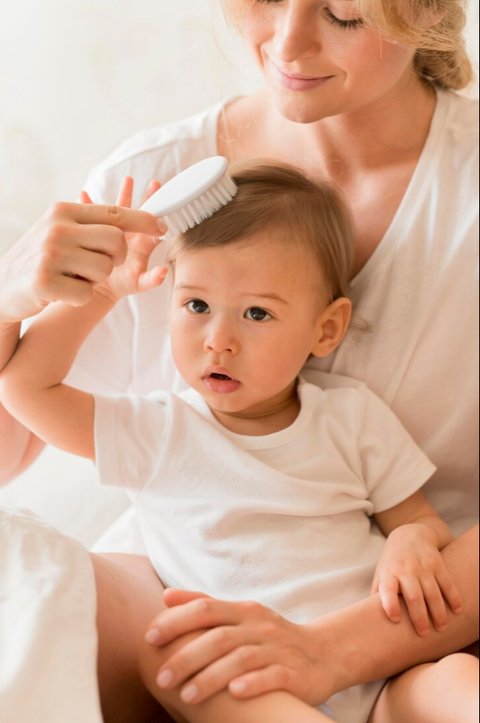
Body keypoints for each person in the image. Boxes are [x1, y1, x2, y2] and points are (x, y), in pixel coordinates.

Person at [0, 0, 477, 719]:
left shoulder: (353, 418)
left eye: (344, 13)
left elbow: (417, 521)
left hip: (418, 627)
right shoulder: (153, 184)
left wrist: (332, 648)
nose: (288, 42)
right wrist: (10, 302)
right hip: (188, 626)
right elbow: (16, 433)